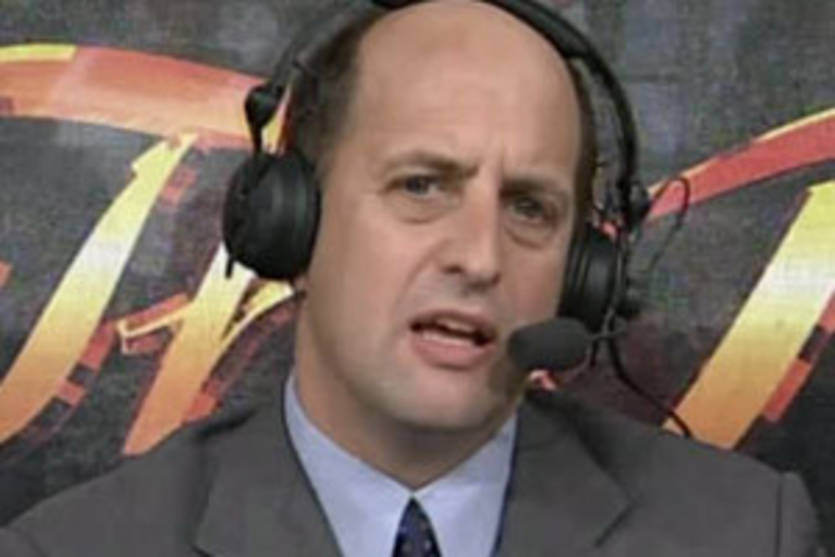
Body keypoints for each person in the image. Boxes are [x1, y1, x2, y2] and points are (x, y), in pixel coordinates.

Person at [0, 1, 825, 556]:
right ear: (292, 220)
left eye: (529, 207)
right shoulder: (78, 546)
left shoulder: (745, 535)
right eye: (421, 186)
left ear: (583, 274)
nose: (479, 256)